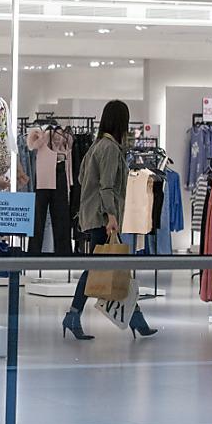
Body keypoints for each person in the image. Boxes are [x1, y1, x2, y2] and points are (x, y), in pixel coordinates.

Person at [62, 100, 157, 340]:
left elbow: (83, 179)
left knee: (110, 267)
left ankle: (135, 318)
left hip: (94, 216)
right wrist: (112, 216)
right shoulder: (111, 149)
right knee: (100, 268)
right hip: (103, 218)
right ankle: (75, 315)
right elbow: (107, 187)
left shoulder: (95, 146)